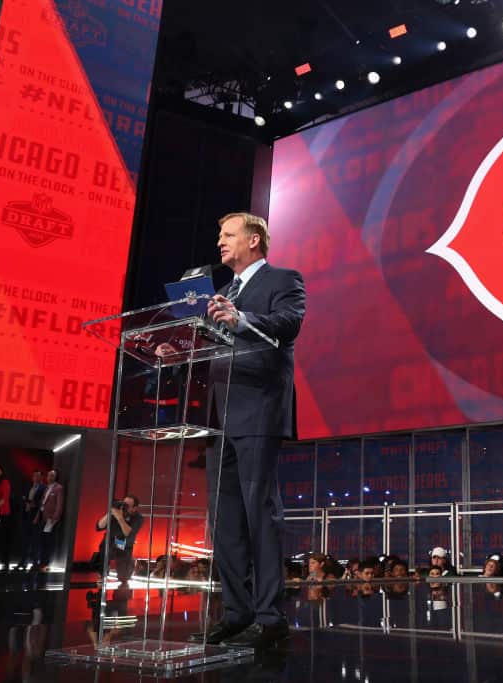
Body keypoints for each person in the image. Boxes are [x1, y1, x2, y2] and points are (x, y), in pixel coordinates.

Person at [188, 212, 305, 648]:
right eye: (219, 235)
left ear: (254, 241)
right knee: (225, 520)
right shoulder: (218, 293)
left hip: (259, 409)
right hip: (221, 418)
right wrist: (176, 346)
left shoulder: (283, 280)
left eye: (228, 234)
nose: (220, 241)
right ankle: (236, 612)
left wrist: (243, 319)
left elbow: (289, 324)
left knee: (259, 512)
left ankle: (269, 615)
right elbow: (209, 345)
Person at [95, 495, 144, 584]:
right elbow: (99, 526)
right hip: (109, 543)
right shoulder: (116, 512)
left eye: (127, 505)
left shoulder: (138, 518)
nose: (124, 507)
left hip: (124, 544)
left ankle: (125, 574)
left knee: (123, 577)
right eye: (124, 504)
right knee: (106, 548)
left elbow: (128, 533)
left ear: (134, 508)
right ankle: (102, 574)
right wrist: (110, 513)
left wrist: (120, 518)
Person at [36, 469, 64, 571]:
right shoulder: (47, 487)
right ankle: (41, 561)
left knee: (48, 541)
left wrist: (55, 517)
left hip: (51, 519)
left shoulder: (59, 488)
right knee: (42, 540)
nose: (50, 477)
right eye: (48, 475)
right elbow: (43, 503)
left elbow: (59, 504)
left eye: (52, 475)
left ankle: (45, 563)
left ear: (55, 477)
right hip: (43, 517)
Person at [19, 471, 46, 570]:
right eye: (34, 476)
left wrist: (36, 507)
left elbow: (43, 503)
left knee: (35, 541)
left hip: (36, 517)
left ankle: (35, 562)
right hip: (26, 515)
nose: (36, 478)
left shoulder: (43, 488)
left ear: (41, 477)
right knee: (25, 541)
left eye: (38, 476)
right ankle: (23, 562)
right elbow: (24, 498)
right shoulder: (29, 487)